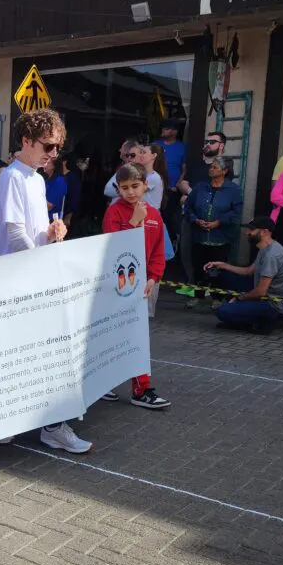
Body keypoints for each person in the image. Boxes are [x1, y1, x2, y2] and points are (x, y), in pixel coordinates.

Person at [0, 108, 87, 453]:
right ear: (26, 141)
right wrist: (39, 265)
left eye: (58, 148)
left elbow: (31, 232)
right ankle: (36, 424)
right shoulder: (13, 177)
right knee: (36, 355)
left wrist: (52, 231)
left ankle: (46, 423)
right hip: (17, 280)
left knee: (36, 355)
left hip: (28, 277)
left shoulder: (35, 178)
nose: (53, 154)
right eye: (48, 146)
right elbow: (14, 232)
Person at [101, 163, 170, 409]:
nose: (130, 192)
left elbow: (158, 252)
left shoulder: (154, 214)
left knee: (137, 336)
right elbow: (115, 249)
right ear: (118, 189)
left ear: (145, 185)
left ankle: (141, 388)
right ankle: (104, 382)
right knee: (115, 333)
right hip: (118, 285)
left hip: (142, 287)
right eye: (124, 188)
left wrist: (153, 277)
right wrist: (134, 222)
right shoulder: (114, 213)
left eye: (135, 186)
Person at [206, 216, 283, 333]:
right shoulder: (264, 248)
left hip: (273, 304)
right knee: (222, 275)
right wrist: (223, 265)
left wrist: (238, 298)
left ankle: (261, 322)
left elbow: (261, 292)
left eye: (251, 230)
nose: (247, 232)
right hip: (263, 294)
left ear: (264, 232)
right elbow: (248, 271)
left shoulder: (271, 255)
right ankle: (244, 312)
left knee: (222, 311)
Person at [184, 156, 242, 300]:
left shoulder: (233, 189)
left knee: (218, 270)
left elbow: (236, 212)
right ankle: (198, 296)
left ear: (224, 171)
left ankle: (217, 298)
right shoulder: (200, 187)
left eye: (215, 167)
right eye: (211, 167)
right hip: (199, 236)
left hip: (221, 238)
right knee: (198, 267)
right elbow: (188, 207)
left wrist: (219, 222)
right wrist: (195, 220)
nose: (211, 169)